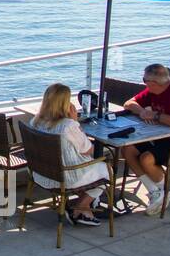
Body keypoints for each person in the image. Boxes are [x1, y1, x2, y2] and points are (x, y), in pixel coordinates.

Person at [120, 64, 170, 216]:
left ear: (154, 83)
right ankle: (154, 190)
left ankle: (165, 190)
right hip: (163, 137)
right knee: (128, 149)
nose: (144, 83)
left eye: (145, 80)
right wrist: (143, 111)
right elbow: (129, 103)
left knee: (146, 159)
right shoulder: (153, 91)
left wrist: (155, 116)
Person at [25, 84, 109, 226]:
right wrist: (75, 121)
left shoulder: (35, 121)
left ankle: (85, 211)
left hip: (40, 174)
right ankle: (78, 209)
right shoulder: (68, 125)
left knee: (91, 169)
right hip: (63, 178)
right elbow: (87, 150)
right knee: (106, 170)